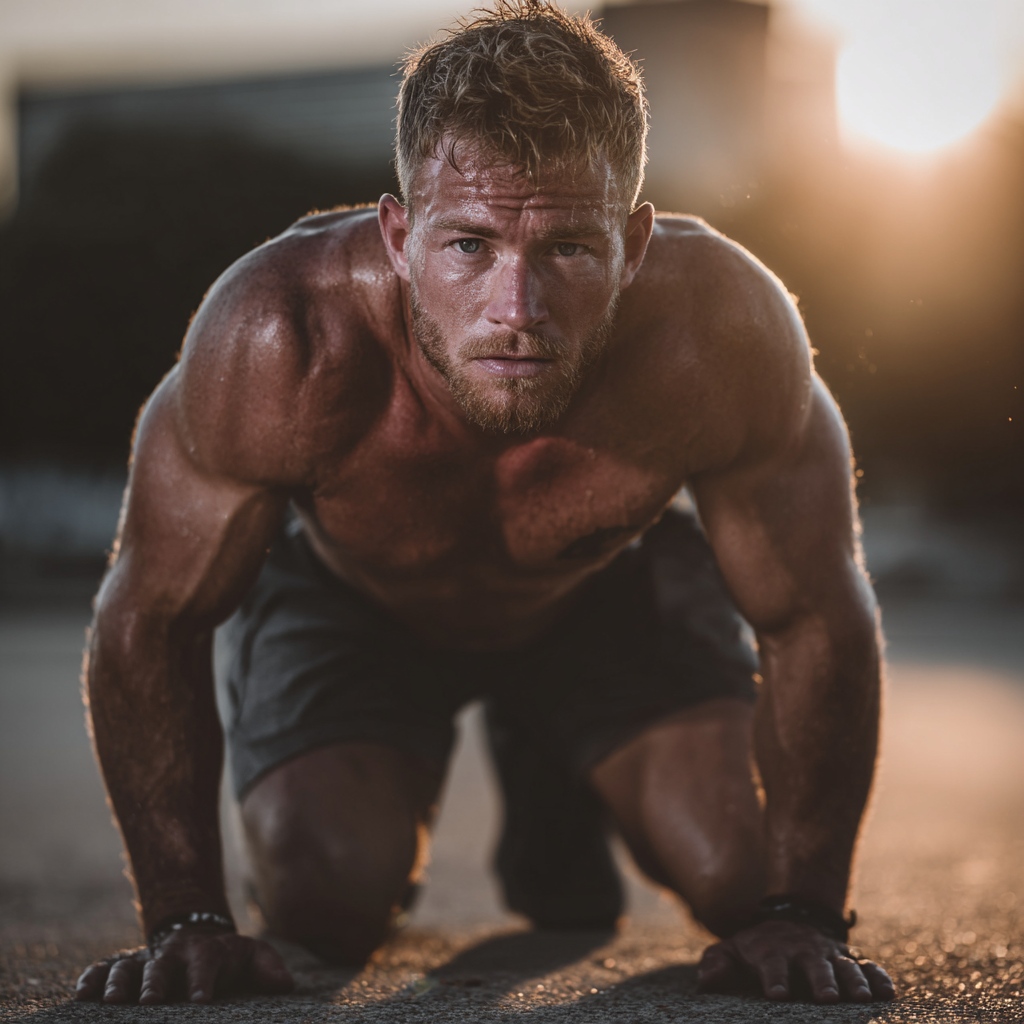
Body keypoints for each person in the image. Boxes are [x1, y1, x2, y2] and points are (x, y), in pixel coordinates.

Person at [74, 0, 894, 1007]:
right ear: (399, 234)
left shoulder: (720, 333)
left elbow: (814, 611)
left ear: (634, 244)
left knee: (745, 877)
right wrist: (185, 916)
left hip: (600, 593)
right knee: (323, 900)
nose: (517, 312)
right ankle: (520, 759)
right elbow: (150, 615)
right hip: (354, 601)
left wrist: (804, 910)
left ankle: (551, 764)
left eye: (569, 250)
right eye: (469, 246)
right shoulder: (281, 337)